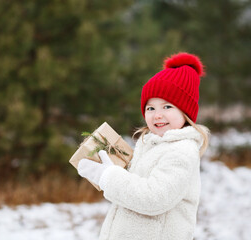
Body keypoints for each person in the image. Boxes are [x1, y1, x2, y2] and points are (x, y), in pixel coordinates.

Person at [77, 52, 210, 240]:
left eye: (167, 107)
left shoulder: (181, 151)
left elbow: (154, 198)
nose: (157, 115)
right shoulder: (149, 146)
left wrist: (109, 177)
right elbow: (133, 191)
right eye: (151, 108)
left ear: (185, 112)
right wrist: (112, 168)